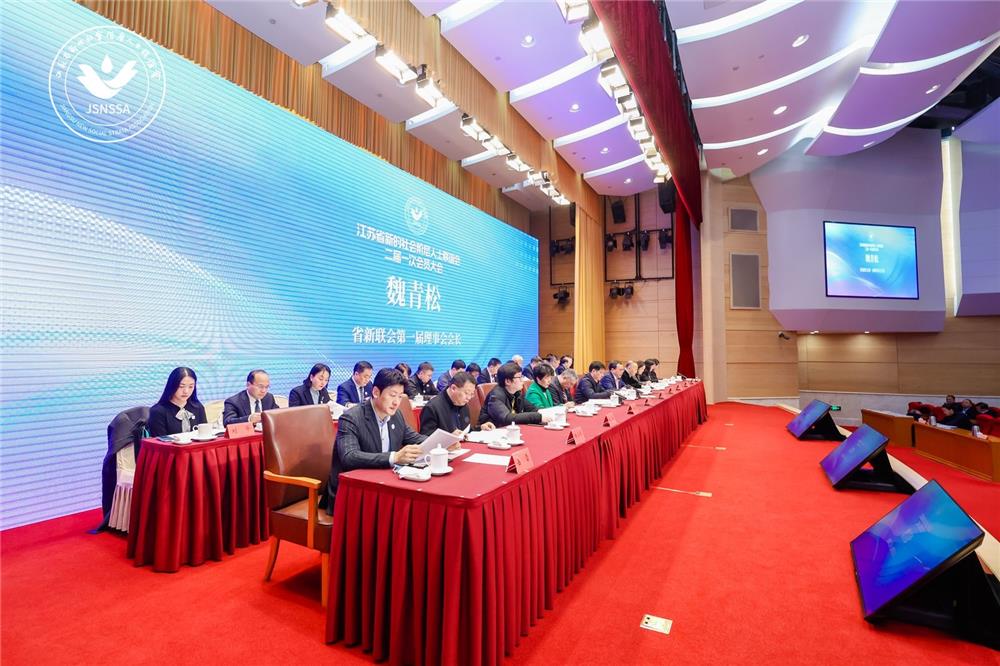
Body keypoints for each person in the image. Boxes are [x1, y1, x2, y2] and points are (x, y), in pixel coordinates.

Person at [325, 368, 427, 511]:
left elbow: (415, 438)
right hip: (352, 494)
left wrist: (443, 442)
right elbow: (349, 457)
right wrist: (395, 457)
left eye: (400, 397)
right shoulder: (351, 418)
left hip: (383, 486)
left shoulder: (396, 415)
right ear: (376, 392)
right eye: (392, 395)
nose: (396, 402)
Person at [419, 371, 496, 436]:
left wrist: (481, 428)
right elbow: (426, 439)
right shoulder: (432, 407)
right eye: (466, 393)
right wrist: (449, 438)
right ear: (453, 388)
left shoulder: (463, 403)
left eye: (472, 394)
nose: (469, 398)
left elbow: (466, 431)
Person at [478, 362, 552, 427]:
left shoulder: (516, 393)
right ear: (508, 381)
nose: (522, 380)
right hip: (493, 432)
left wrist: (546, 413)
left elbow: (532, 409)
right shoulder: (495, 396)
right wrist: (538, 417)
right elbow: (506, 418)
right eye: (519, 377)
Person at [148, 367, 207, 436]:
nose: (186, 391)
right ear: (172, 386)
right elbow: (159, 441)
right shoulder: (158, 411)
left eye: (191, 387)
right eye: (181, 386)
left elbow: (205, 435)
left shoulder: (198, 407)